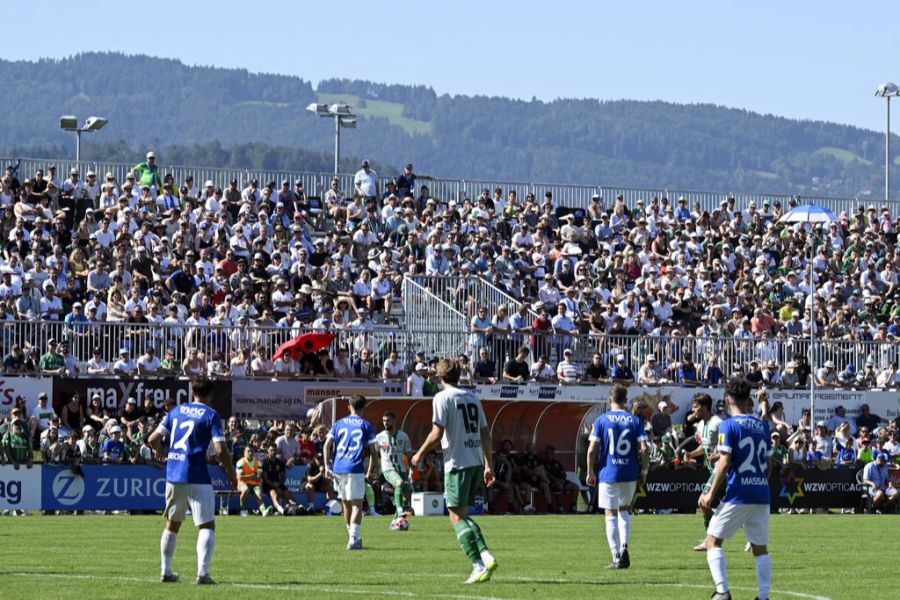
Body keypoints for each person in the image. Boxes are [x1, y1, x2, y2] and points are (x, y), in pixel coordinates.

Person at [411, 358, 498, 584]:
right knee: (463, 514)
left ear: (440, 378)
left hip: (457, 463)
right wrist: (489, 464)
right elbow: (485, 434)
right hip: (476, 462)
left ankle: (478, 564)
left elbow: (436, 433)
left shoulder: (442, 397)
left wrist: (419, 453)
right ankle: (486, 555)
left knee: (455, 516)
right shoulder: (472, 397)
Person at [147, 376, 237, 585]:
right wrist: (231, 474)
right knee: (206, 525)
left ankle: (165, 571)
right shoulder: (211, 415)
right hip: (197, 474)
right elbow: (221, 449)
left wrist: (162, 452)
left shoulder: (175, 411)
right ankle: (202, 573)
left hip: (174, 474)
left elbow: (152, 439)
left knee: (172, 524)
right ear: (211, 395)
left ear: (192, 391)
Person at [698, 377, 772, 600]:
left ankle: (722, 592)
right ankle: (764, 596)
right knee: (760, 548)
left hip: (738, 492)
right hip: (761, 492)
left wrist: (710, 493)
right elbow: (769, 466)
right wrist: (759, 483)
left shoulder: (727, 425)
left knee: (712, 540)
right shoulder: (761, 425)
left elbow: (724, 461)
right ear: (748, 399)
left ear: (728, 399)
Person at [585, 384, 649, 570]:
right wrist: (643, 472)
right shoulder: (635, 420)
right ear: (626, 400)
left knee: (610, 513)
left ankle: (616, 555)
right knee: (624, 510)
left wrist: (590, 472)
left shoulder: (602, 420)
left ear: (609, 399)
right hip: (629, 472)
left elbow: (591, 450)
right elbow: (644, 448)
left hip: (609, 472)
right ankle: (625, 546)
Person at [323, 395, 379, 550]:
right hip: (354, 467)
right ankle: (353, 539)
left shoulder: (339, 423)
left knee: (346, 504)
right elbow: (374, 451)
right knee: (357, 504)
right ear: (364, 408)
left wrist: (327, 467)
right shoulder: (366, 425)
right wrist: (375, 469)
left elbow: (326, 446)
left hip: (338, 468)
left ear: (349, 407)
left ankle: (352, 537)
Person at [683, 393, 724, 551]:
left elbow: (729, 446)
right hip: (712, 469)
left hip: (722, 469)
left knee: (703, 502)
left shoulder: (718, 423)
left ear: (705, 407)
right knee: (732, 506)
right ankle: (751, 536)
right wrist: (690, 454)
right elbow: (704, 447)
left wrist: (719, 454)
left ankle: (710, 539)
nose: (693, 410)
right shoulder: (700, 425)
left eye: (696, 406)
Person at [375, 410, 413, 520]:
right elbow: (375, 455)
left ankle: (396, 521)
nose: (385, 423)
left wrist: (411, 471)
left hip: (401, 469)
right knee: (399, 482)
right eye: (383, 421)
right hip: (388, 468)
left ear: (393, 421)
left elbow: (409, 455)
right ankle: (400, 510)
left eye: (387, 421)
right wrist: (372, 471)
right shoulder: (379, 437)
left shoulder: (403, 436)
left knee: (406, 497)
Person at [235, 445, 272, 516]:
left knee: (259, 496)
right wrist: (252, 475)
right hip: (242, 483)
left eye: (252, 451)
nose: (250, 453)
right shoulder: (240, 462)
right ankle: (242, 509)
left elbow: (258, 478)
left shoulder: (258, 463)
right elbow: (240, 477)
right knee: (245, 490)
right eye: (248, 451)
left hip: (255, 484)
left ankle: (264, 511)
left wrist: (246, 476)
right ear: (244, 452)